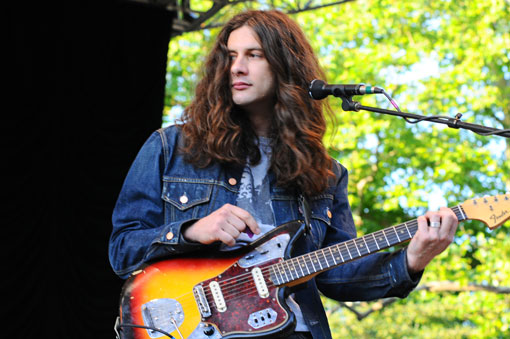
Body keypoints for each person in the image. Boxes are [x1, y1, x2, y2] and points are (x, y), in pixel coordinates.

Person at [109, 10, 458, 339]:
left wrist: (413, 258)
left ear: (285, 64)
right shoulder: (172, 147)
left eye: (254, 55)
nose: (237, 68)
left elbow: (338, 276)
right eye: (230, 56)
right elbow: (123, 250)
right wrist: (192, 231)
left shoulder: (325, 173)